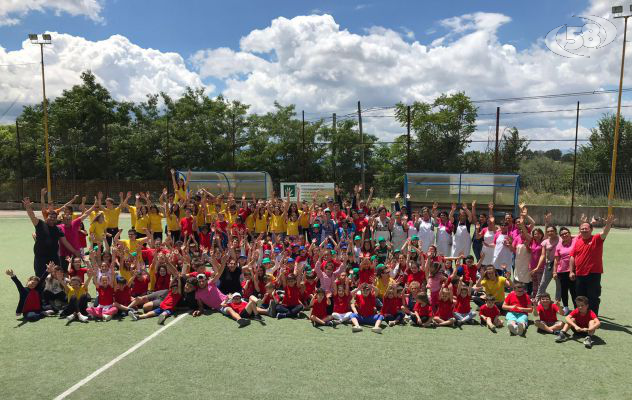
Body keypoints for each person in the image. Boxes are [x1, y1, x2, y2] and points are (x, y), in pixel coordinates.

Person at [569, 215, 615, 315]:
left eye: (586, 228)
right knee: (580, 297)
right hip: (579, 274)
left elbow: (605, 232)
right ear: (579, 230)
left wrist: (608, 224)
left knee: (593, 297)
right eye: (582, 229)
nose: (584, 230)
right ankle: (581, 316)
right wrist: (571, 271)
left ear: (591, 230)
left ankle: (593, 318)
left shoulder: (596, 239)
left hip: (593, 274)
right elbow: (572, 256)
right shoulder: (578, 241)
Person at [24, 197, 80, 277]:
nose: (52, 219)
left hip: (53, 258)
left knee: (56, 277)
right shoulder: (40, 224)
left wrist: (75, 251)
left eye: (54, 217)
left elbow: (65, 242)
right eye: (51, 217)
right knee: (40, 277)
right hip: (40, 257)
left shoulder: (58, 229)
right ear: (47, 216)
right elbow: (32, 216)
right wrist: (28, 207)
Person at [553, 227, 576, 314]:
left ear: (570, 233)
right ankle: (565, 307)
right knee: (563, 290)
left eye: (566, 233)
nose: (564, 235)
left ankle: (576, 308)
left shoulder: (575, 240)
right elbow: (556, 259)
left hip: (573, 270)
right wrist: (554, 271)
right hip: (561, 270)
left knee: (574, 290)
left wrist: (570, 236)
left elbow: (580, 235)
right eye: (562, 234)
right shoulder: (559, 245)